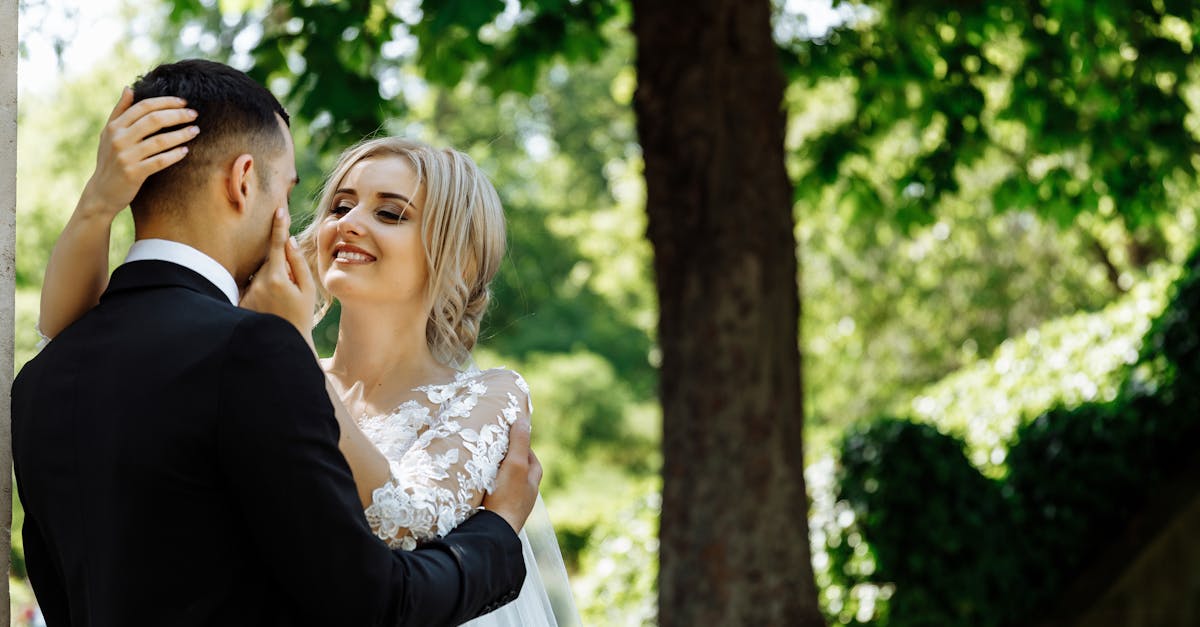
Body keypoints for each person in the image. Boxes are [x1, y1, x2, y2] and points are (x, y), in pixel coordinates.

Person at [34, 60, 580, 626]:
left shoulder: (487, 395)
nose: (349, 222)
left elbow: (407, 520)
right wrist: (99, 203)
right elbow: (81, 336)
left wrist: (290, 342)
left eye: (390, 213)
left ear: (457, 257)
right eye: (341, 205)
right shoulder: (258, 361)